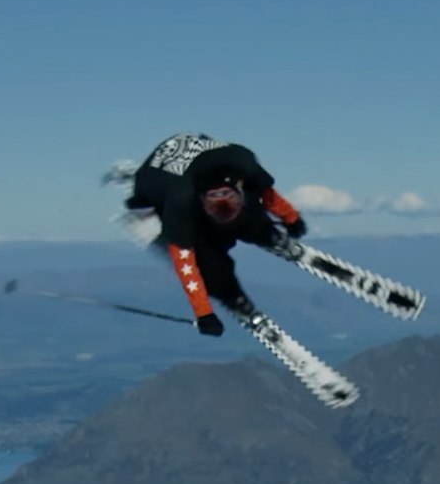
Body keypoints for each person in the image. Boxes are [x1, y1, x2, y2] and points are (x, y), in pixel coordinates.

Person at [125, 134, 308, 336]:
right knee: (207, 256)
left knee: (250, 213)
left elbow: (266, 192)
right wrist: (204, 313)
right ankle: (232, 295)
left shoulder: (244, 163)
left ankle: (266, 233)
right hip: (154, 185)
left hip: (199, 154)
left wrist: (291, 217)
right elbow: (185, 263)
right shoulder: (179, 203)